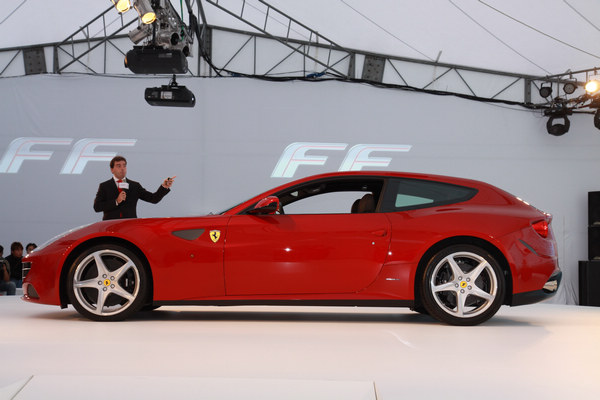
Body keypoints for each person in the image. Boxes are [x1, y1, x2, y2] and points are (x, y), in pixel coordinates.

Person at [93, 155, 174, 220]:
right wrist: (116, 201)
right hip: (111, 226)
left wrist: (164, 186)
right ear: (112, 169)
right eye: (118, 166)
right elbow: (97, 207)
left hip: (129, 226)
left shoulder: (134, 186)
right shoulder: (104, 186)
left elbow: (153, 199)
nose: (122, 168)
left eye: (124, 166)